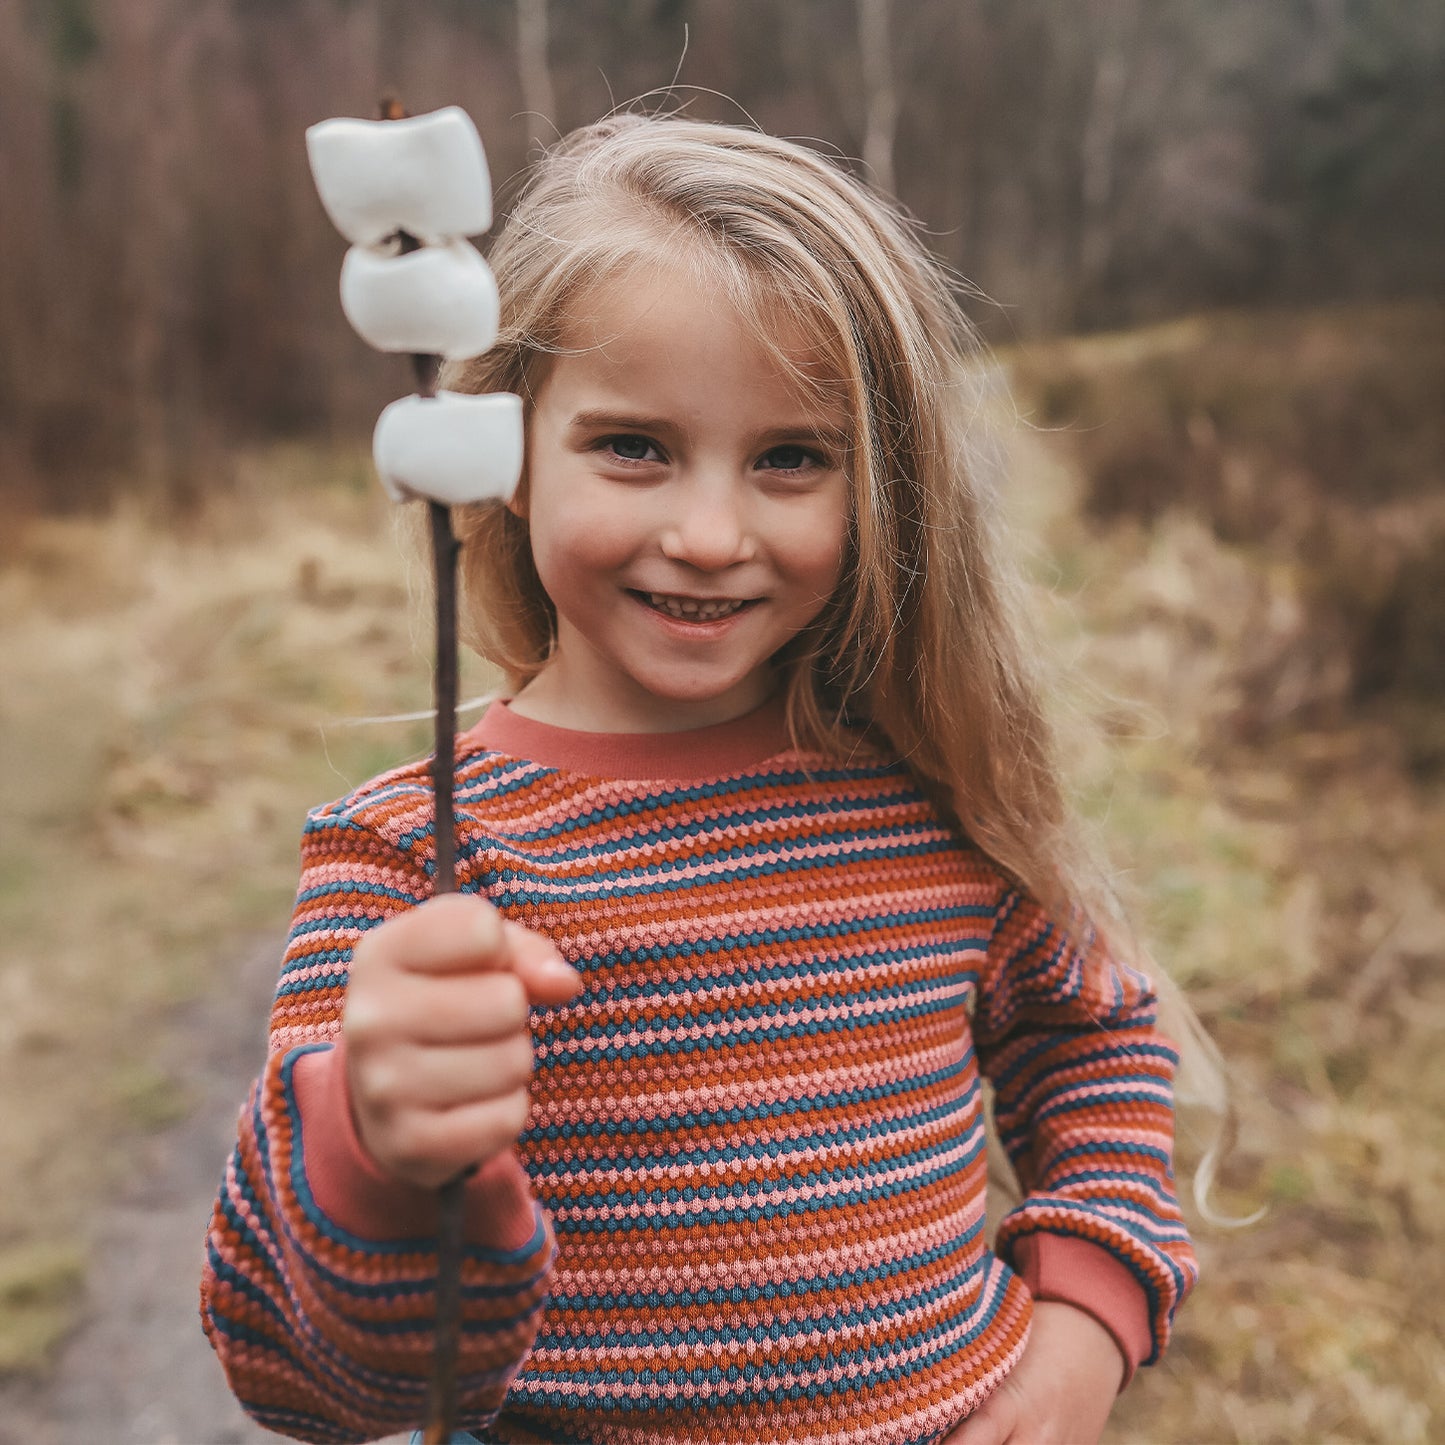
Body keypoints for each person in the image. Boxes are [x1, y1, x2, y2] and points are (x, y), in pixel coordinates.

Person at [201, 113, 1197, 1445]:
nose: (711, 534)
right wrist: (373, 1154)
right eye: (633, 446)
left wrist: (1085, 1318)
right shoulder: (412, 863)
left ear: (877, 488)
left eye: (790, 458)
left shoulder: (926, 802)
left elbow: (1094, 1039)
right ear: (504, 450)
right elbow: (293, 1382)